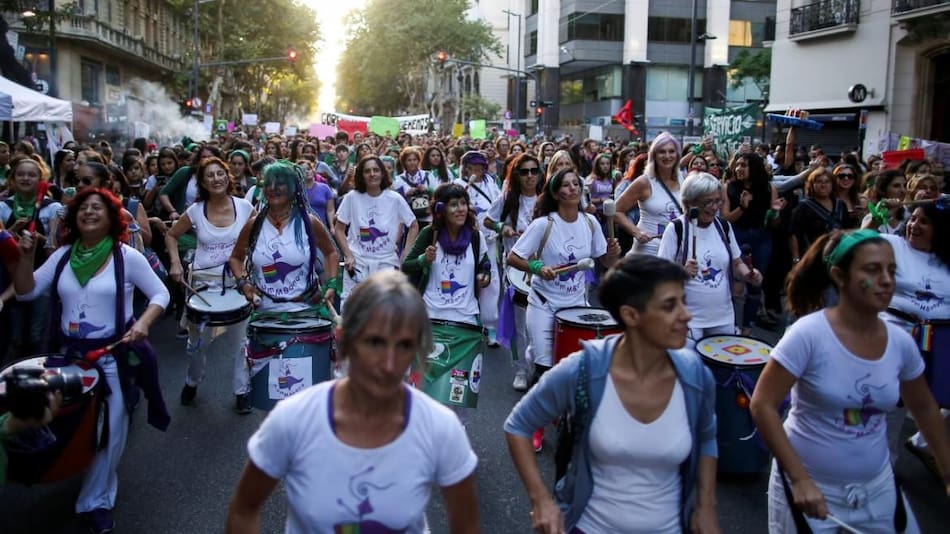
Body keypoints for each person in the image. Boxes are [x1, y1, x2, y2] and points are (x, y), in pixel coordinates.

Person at [225, 270, 480, 534]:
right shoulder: (293, 419)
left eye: (404, 345)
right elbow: (243, 510)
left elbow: (467, 526)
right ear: (343, 340)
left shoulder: (440, 427)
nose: (390, 364)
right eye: (375, 342)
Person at [750, 229, 950, 533]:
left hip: (877, 489)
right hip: (809, 489)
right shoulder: (808, 335)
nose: (886, 280)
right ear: (839, 276)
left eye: (892, 270)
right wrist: (800, 480)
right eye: (872, 270)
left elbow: (924, 407)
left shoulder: (900, 342)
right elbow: (763, 404)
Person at [504, 254, 719, 534]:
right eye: (670, 306)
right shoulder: (583, 370)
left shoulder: (695, 376)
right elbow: (518, 426)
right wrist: (541, 499)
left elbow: (706, 437)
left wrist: (706, 506)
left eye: (684, 302)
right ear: (631, 315)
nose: (686, 315)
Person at [13, 187, 170, 534]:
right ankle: (69, 471)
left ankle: (95, 501)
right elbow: (26, 292)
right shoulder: (63, 256)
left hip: (113, 356)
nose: (89, 212)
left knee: (112, 431)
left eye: (97, 208)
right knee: (68, 425)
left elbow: (161, 292)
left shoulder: (126, 256)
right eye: (83, 208)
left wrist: (143, 323)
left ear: (111, 216)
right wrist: (25, 256)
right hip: (68, 357)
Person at [507, 168, 621, 451]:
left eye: (576, 184)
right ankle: (535, 423)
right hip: (544, 304)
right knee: (545, 367)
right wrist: (536, 267)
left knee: (578, 369)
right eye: (566, 185)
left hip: (577, 307)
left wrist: (612, 252)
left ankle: (574, 422)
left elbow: (604, 262)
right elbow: (513, 257)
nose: (572, 188)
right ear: (557, 193)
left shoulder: (592, 222)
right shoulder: (543, 224)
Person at [229, 161, 340, 413]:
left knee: (308, 395)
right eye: (268, 184)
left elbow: (331, 253)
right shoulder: (255, 224)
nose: (273, 188)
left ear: (292, 189)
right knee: (273, 397)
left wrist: (331, 284)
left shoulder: (308, 223)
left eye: (280, 183)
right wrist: (244, 284)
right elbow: (235, 258)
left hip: (307, 311)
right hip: (266, 313)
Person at [165, 157, 256, 408]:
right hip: (203, 286)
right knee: (196, 344)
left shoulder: (245, 207)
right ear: (202, 183)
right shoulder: (195, 211)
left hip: (238, 283)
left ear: (228, 177)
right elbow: (171, 235)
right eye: (210, 176)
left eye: (220, 174)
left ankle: (241, 390)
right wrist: (175, 263)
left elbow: (261, 236)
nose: (216, 179)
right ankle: (192, 380)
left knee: (242, 342)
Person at [878, 203, 950, 475]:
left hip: (941, 343)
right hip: (894, 335)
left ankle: (922, 442)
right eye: (913, 219)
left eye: (924, 222)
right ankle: (884, 469)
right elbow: (850, 246)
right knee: (892, 405)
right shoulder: (891, 245)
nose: (913, 225)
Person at [657, 172, 761, 348]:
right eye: (707, 202)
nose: (714, 207)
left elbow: (737, 262)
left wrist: (748, 274)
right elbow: (659, 273)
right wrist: (681, 271)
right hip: (688, 320)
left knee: (721, 371)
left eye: (717, 201)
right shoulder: (677, 229)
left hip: (723, 317)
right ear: (690, 202)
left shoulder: (724, 227)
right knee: (690, 372)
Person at [484, 153, 541, 391]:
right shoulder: (508, 198)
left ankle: (539, 366)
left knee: (540, 321)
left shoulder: (546, 199)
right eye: (524, 171)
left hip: (543, 270)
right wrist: (502, 227)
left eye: (534, 171)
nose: (529, 176)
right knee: (519, 323)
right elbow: (487, 219)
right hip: (516, 271)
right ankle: (519, 369)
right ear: (516, 175)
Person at [334, 155, 419, 306]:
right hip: (357, 263)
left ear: (382, 173)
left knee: (386, 311)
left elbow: (413, 225)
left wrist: (406, 253)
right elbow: (339, 228)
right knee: (352, 310)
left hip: (386, 262)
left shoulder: (395, 198)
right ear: (361, 175)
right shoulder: (351, 197)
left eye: (376, 170)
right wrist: (348, 255)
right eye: (367, 171)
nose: (372, 174)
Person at [721, 152, 786, 335]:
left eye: (744, 165)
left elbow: (774, 223)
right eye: (738, 165)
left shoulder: (768, 188)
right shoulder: (729, 187)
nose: (739, 168)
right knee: (735, 283)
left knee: (756, 282)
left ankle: (747, 328)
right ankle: (731, 325)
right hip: (737, 237)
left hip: (761, 238)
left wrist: (775, 213)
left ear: (754, 168)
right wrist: (742, 207)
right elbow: (726, 218)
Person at [614, 132, 685, 257]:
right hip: (649, 251)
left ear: (677, 154)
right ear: (654, 156)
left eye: (671, 151)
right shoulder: (644, 181)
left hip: (677, 249)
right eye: (662, 152)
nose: (667, 156)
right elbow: (615, 211)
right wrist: (637, 232)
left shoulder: (683, 178)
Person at [788, 167, 846, 264]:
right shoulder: (804, 206)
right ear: (812, 185)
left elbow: (847, 229)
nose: (823, 185)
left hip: (837, 255)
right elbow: (793, 234)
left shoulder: (840, 205)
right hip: (813, 256)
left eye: (827, 182)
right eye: (819, 182)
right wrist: (796, 259)